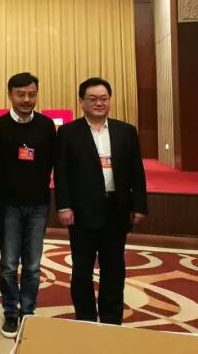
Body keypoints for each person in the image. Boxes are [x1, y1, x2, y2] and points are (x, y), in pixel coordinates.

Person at [55, 77, 147, 325]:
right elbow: (62, 172)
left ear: (109, 101)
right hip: (82, 211)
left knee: (114, 268)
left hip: (116, 209)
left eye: (104, 99)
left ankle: (111, 320)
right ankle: (85, 318)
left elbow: (136, 171)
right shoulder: (68, 132)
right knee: (82, 270)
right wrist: (64, 205)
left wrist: (139, 205)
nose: (99, 103)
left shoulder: (125, 131)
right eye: (93, 99)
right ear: (82, 102)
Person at [0, 72, 56, 339]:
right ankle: (11, 313)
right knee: (9, 264)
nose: (27, 100)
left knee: (33, 265)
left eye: (32, 94)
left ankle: (28, 311)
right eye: (21, 94)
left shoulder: (46, 126)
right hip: (8, 207)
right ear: (10, 95)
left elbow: (51, 162)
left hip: (38, 205)